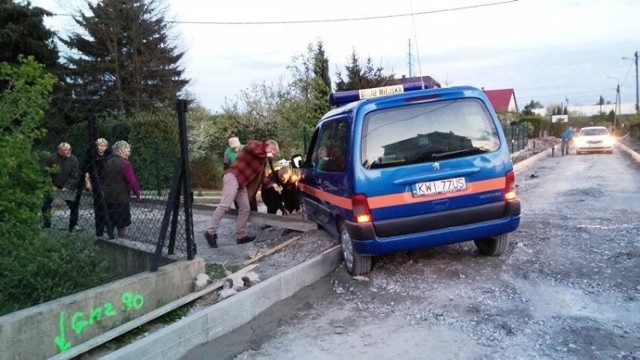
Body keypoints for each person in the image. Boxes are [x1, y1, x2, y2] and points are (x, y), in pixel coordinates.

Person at [204, 140, 281, 248]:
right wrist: (265, 152)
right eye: (273, 153)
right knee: (225, 205)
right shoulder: (256, 145)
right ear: (270, 147)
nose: (272, 156)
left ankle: (241, 236)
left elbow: (261, 177)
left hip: (241, 184)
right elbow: (250, 147)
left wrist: (273, 185)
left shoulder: (262, 161)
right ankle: (210, 232)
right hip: (232, 176)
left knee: (245, 208)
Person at [101, 140, 141, 239]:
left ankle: (110, 239)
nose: (129, 153)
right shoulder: (125, 164)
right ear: (122, 150)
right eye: (128, 150)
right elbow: (132, 181)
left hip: (108, 197)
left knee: (110, 222)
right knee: (122, 224)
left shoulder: (108, 163)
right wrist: (137, 193)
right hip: (121, 198)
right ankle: (121, 241)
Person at [42, 142, 80, 231]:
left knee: (74, 206)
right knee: (46, 205)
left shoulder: (73, 160)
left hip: (67, 186)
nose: (65, 152)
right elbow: (46, 173)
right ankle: (46, 224)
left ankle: (73, 225)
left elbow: (74, 176)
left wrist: (66, 187)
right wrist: (51, 185)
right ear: (58, 150)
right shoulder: (51, 158)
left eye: (67, 150)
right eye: (63, 150)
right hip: (53, 185)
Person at [82, 138, 113, 237]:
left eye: (104, 146)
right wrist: (88, 182)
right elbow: (86, 170)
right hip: (96, 181)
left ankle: (108, 227)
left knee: (108, 206)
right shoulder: (92, 156)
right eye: (100, 146)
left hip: (107, 182)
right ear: (96, 146)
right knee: (98, 205)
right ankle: (99, 229)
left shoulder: (109, 155)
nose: (102, 148)